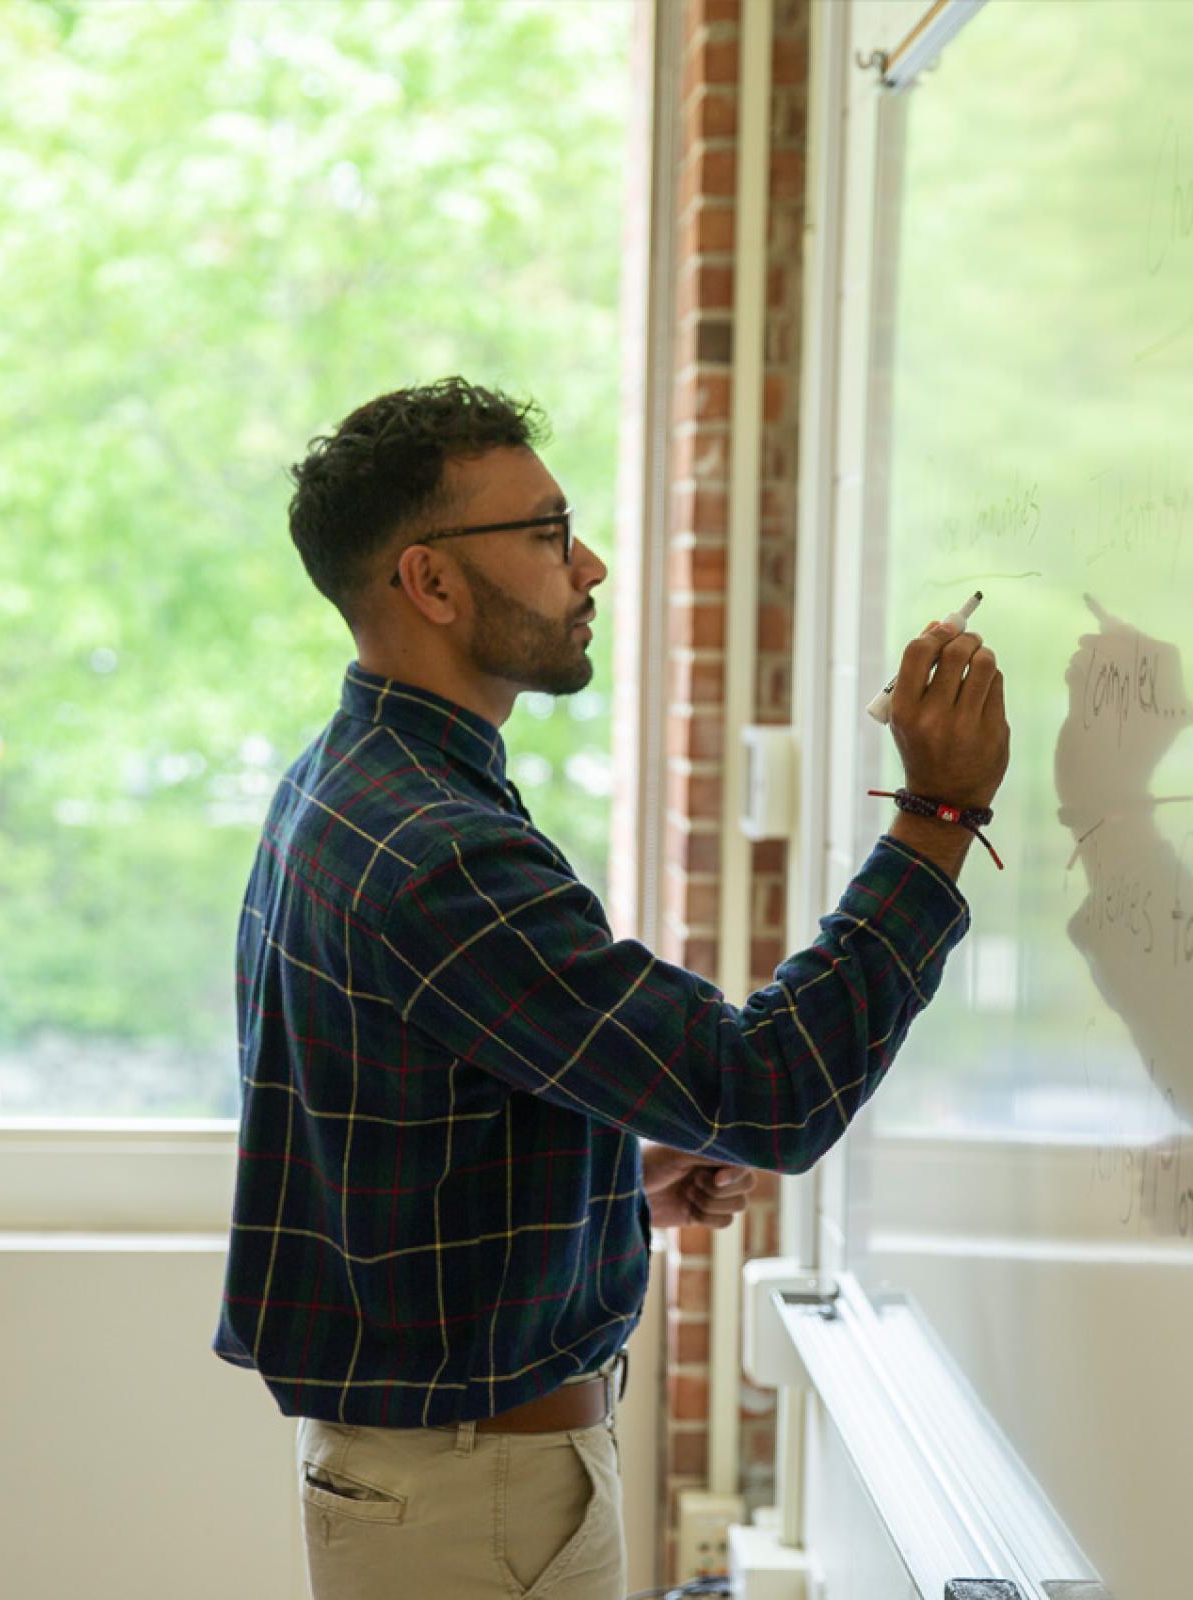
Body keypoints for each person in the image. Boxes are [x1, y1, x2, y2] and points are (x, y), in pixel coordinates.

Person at [213, 377, 1010, 1600]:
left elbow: (393, 1154)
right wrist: (937, 819)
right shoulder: (438, 849)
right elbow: (771, 1089)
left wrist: (608, 1185)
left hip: (448, 1487)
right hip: (473, 1505)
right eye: (543, 532)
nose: (586, 565)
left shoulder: (354, 781)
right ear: (428, 583)